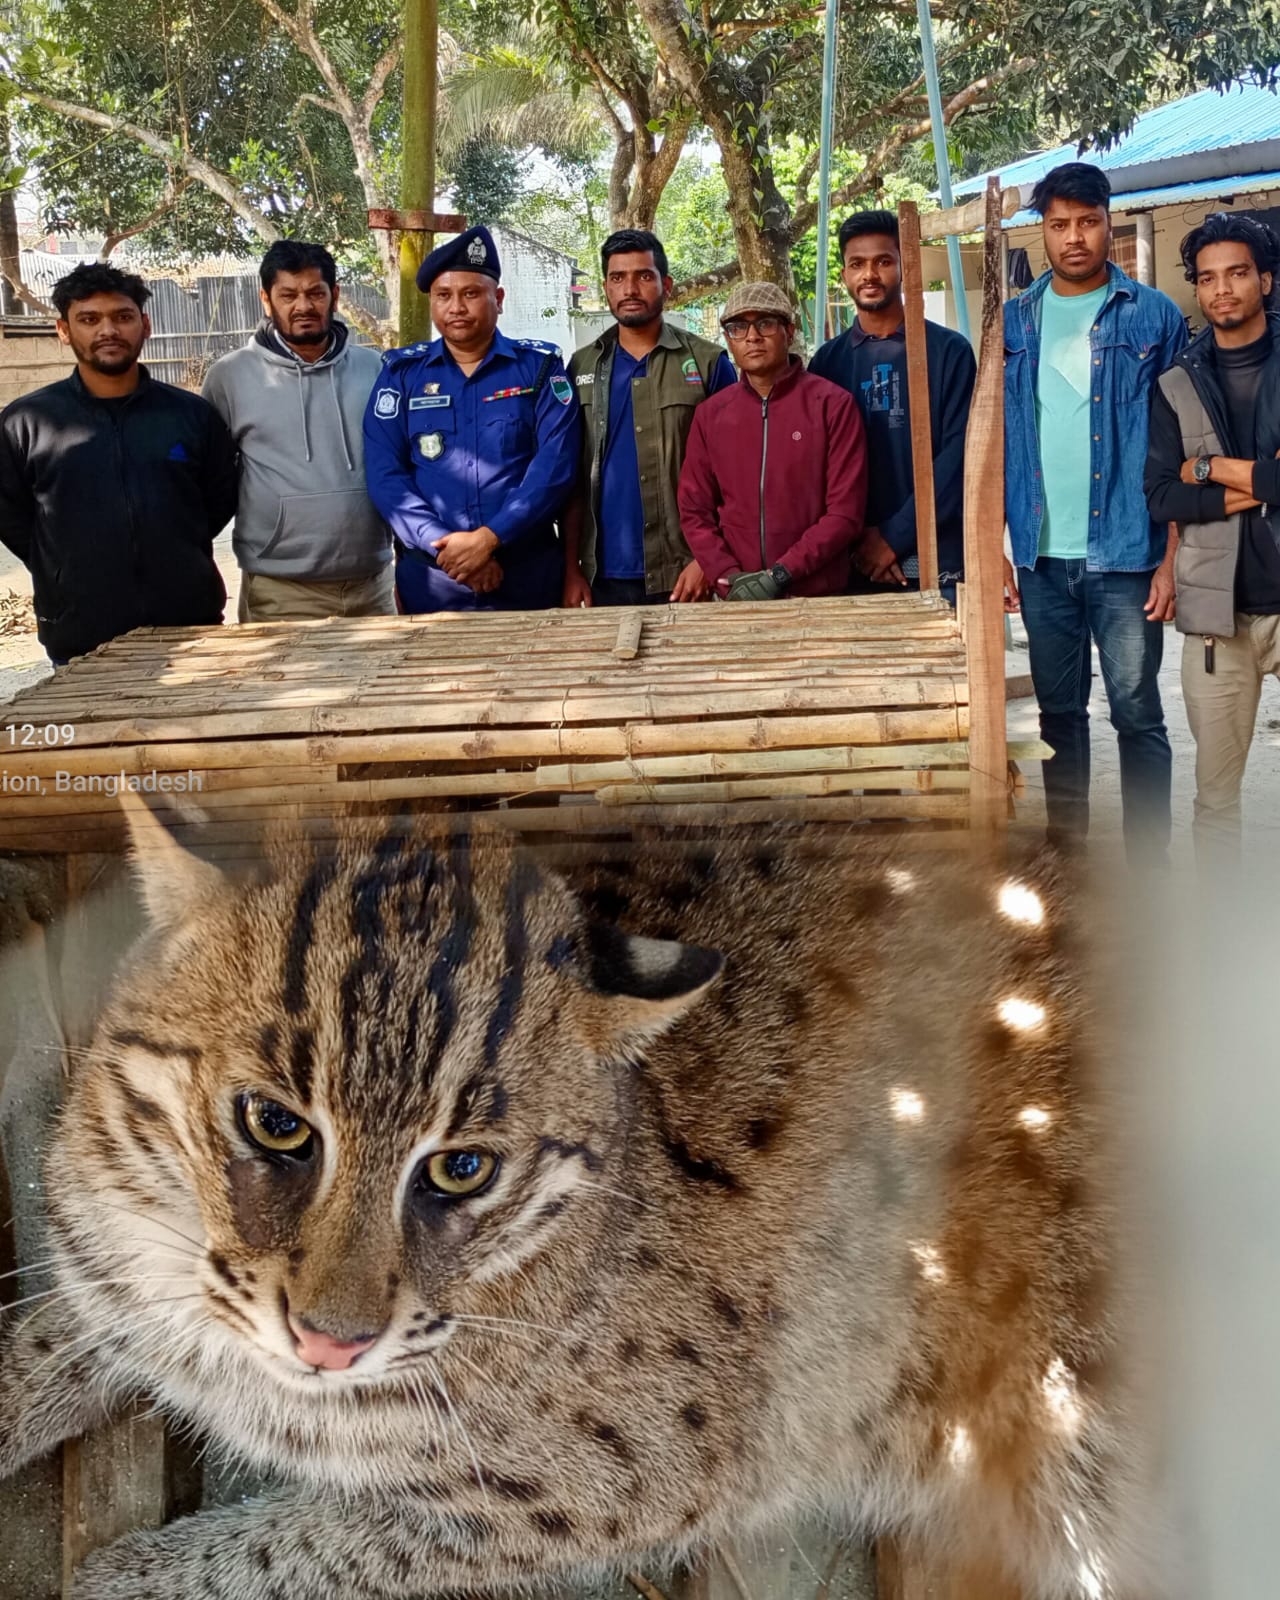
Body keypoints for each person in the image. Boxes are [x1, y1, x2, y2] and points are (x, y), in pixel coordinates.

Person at [1003, 162, 1186, 863]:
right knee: (1059, 713)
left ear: (1110, 222)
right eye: (1058, 225)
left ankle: (1148, 859)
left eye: (1086, 222)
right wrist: (996, 542)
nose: (1073, 238)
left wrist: (1171, 557)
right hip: (1044, 554)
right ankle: (1067, 852)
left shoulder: (1153, 315)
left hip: (1129, 553)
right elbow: (995, 436)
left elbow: (1180, 441)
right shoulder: (1015, 320)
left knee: (1138, 715)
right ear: (1041, 231)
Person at [0, 263, 236, 665]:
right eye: (89, 319)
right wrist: (63, 568)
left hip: (190, 629)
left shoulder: (191, 415)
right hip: (79, 639)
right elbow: (11, 517)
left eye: (122, 317)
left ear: (145, 325)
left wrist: (173, 549)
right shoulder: (26, 422)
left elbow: (216, 501)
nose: (107, 330)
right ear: (63, 330)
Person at [1145, 212, 1280, 858]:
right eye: (1208, 278)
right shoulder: (1175, 383)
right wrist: (1262, 481)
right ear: (1197, 290)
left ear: (1267, 280)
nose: (1222, 289)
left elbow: (1188, 483)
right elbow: (1162, 494)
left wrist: (1210, 470)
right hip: (1213, 618)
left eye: (1237, 274)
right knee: (1216, 797)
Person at [362, 225, 580, 613]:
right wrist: (451, 550)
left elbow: (554, 468)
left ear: (498, 298)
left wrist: (490, 540)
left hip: (526, 576)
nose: (456, 307)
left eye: (471, 294)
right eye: (443, 295)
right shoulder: (402, 376)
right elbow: (385, 477)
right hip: (435, 581)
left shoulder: (540, 370)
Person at [203, 240, 393, 623]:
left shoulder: (376, 369)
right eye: (288, 294)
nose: (302, 306)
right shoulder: (230, 376)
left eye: (315, 293)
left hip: (372, 586)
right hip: (280, 592)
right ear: (266, 299)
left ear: (334, 296)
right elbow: (211, 479)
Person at [563, 229, 737, 607]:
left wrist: (708, 559)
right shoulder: (581, 366)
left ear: (666, 285)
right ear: (606, 288)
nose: (630, 288)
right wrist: (571, 568)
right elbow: (571, 477)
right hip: (601, 576)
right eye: (617, 278)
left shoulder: (708, 363)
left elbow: (736, 475)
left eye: (643, 276)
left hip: (684, 573)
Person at [808, 209, 976, 599]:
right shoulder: (827, 362)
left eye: (883, 261)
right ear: (844, 274)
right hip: (852, 563)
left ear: (904, 266)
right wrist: (861, 544)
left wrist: (893, 538)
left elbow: (958, 458)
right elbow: (820, 468)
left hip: (936, 561)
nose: (870, 274)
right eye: (857, 264)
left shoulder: (949, 352)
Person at [678, 282, 867, 600]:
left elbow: (845, 514)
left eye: (765, 323)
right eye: (738, 327)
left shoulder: (832, 405)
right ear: (728, 339)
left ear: (789, 332)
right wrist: (728, 577)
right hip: (736, 596)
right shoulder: (711, 415)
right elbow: (694, 510)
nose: (752, 336)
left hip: (816, 596)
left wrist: (781, 574)